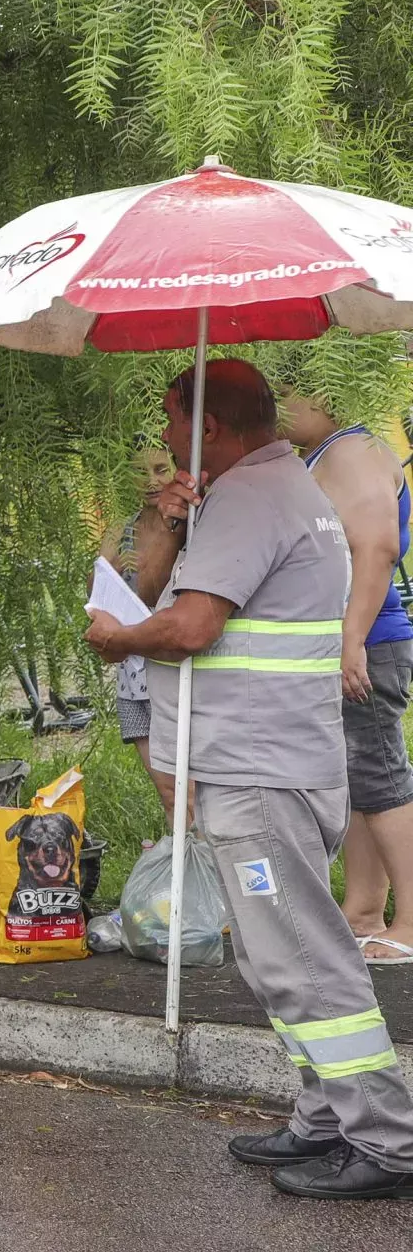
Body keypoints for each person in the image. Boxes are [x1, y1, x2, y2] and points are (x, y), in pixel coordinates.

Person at [87, 359, 413, 1200]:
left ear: (212, 428)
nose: (162, 438)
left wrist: (119, 641)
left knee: (303, 959)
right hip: (275, 761)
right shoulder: (281, 486)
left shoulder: (252, 498)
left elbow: (191, 625)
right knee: (285, 960)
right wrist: (169, 529)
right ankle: (325, 1118)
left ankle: (385, 1138)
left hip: (259, 772)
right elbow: (178, 592)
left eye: (170, 422)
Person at [282, 388, 413, 969]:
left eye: (284, 395)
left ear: (323, 391)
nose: (278, 413)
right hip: (350, 645)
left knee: (382, 777)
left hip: (365, 645)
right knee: (360, 778)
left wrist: (351, 639)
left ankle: (410, 920)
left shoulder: (351, 450)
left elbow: (377, 546)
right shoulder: (327, 451)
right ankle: (363, 910)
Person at [101, 444, 181, 810]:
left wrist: (170, 528)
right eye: (139, 472)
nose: (151, 481)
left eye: (161, 469)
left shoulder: (190, 525)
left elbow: (158, 589)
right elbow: (97, 591)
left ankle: (207, 864)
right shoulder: (124, 526)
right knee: (167, 792)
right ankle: (182, 863)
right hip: (132, 677)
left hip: (174, 673)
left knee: (190, 792)